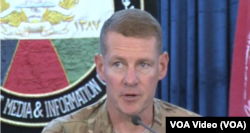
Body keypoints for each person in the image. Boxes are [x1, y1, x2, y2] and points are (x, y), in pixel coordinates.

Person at [41, 8, 200, 133]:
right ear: (101, 68)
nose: (130, 80)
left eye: (143, 65)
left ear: (162, 67)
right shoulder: (63, 130)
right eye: (118, 64)